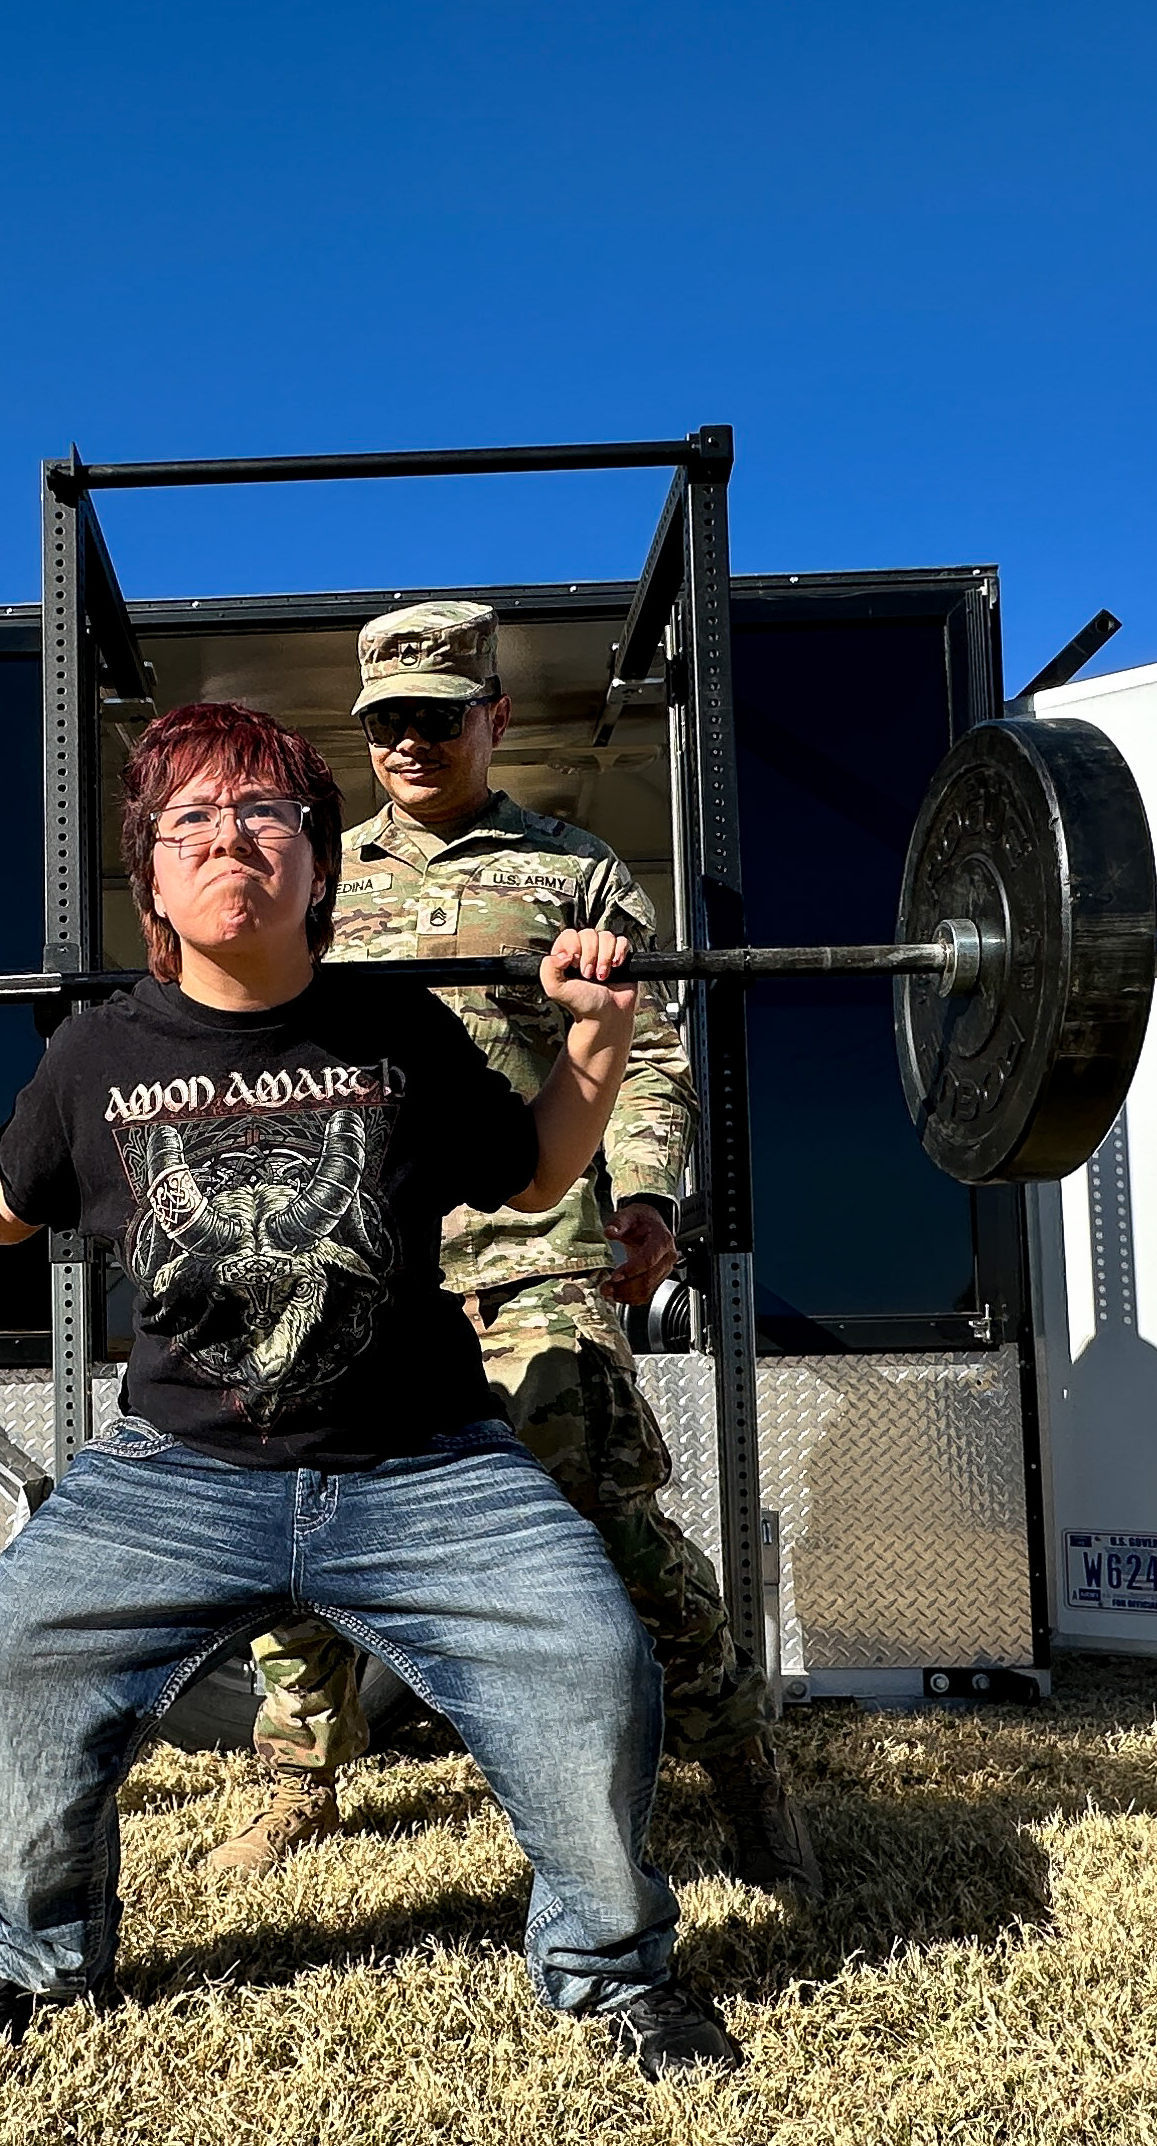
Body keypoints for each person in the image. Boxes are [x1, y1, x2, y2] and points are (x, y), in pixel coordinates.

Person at [0, 696, 732, 2079]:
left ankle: (610, 1970)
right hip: (179, 1474)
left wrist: (593, 1041)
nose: (233, 843)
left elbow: (533, 1173)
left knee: (588, 1655)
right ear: (150, 873)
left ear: (319, 863)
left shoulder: (400, 1029)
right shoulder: (95, 1050)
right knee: (16, 1654)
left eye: (265, 814)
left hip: (426, 1462)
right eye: (192, 821)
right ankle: (36, 1958)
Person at [220, 603, 810, 1890]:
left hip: (533, 1244)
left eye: (440, 716)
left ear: (496, 715)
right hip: (347, 1251)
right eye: (391, 724)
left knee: (602, 1515)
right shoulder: (312, 876)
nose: (414, 743)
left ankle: (742, 1764)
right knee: (288, 1509)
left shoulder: (578, 875)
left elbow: (648, 1052)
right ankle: (301, 1777)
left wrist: (647, 1200)